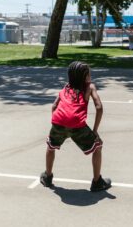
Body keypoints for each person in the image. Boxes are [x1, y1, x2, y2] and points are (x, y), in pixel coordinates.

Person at [40, 61, 111, 192]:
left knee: (51, 146)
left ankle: (48, 177)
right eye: (89, 74)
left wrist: (56, 124)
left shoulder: (66, 87)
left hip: (59, 121)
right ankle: (97, 181)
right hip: (77, 124)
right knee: (97, 146)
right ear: (85, 77)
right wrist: (95, 131)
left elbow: (54, 106)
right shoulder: (89, 87)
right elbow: (99, 108)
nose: (90, 75)